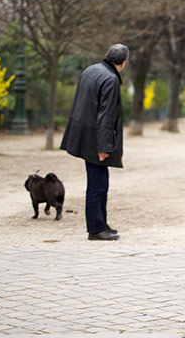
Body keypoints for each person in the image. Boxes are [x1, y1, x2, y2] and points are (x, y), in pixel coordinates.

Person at [60, 44, 129, 241]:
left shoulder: (90, 70)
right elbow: (106, 116)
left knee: (99, 182)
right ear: (123, 63)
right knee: (97, 185)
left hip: (83, 133)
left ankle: (101, 223)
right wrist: (103, 147)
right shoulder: (111, 79)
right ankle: (96, 228)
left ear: (107, 56)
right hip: (95, 139)